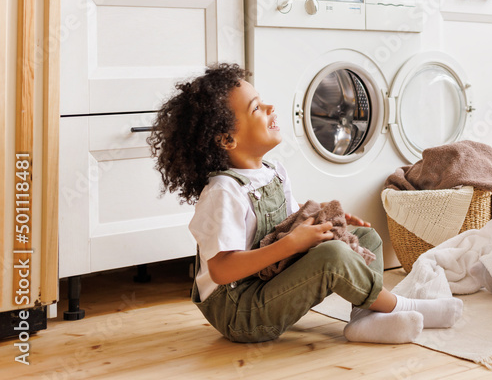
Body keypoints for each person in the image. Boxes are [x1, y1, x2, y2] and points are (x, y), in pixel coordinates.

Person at [149, 63, 462, 344]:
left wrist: (327, 222)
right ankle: (399, 305)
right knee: (332, 256)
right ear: (227, 140)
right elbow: (221, 269)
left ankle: (365, 319)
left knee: (365, 237)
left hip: (269, 282)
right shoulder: (222, 192)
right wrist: (291, 246)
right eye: (256, 108)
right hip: (241, 311)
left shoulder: (273, 172)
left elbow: (290, 224)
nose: (270, 106)